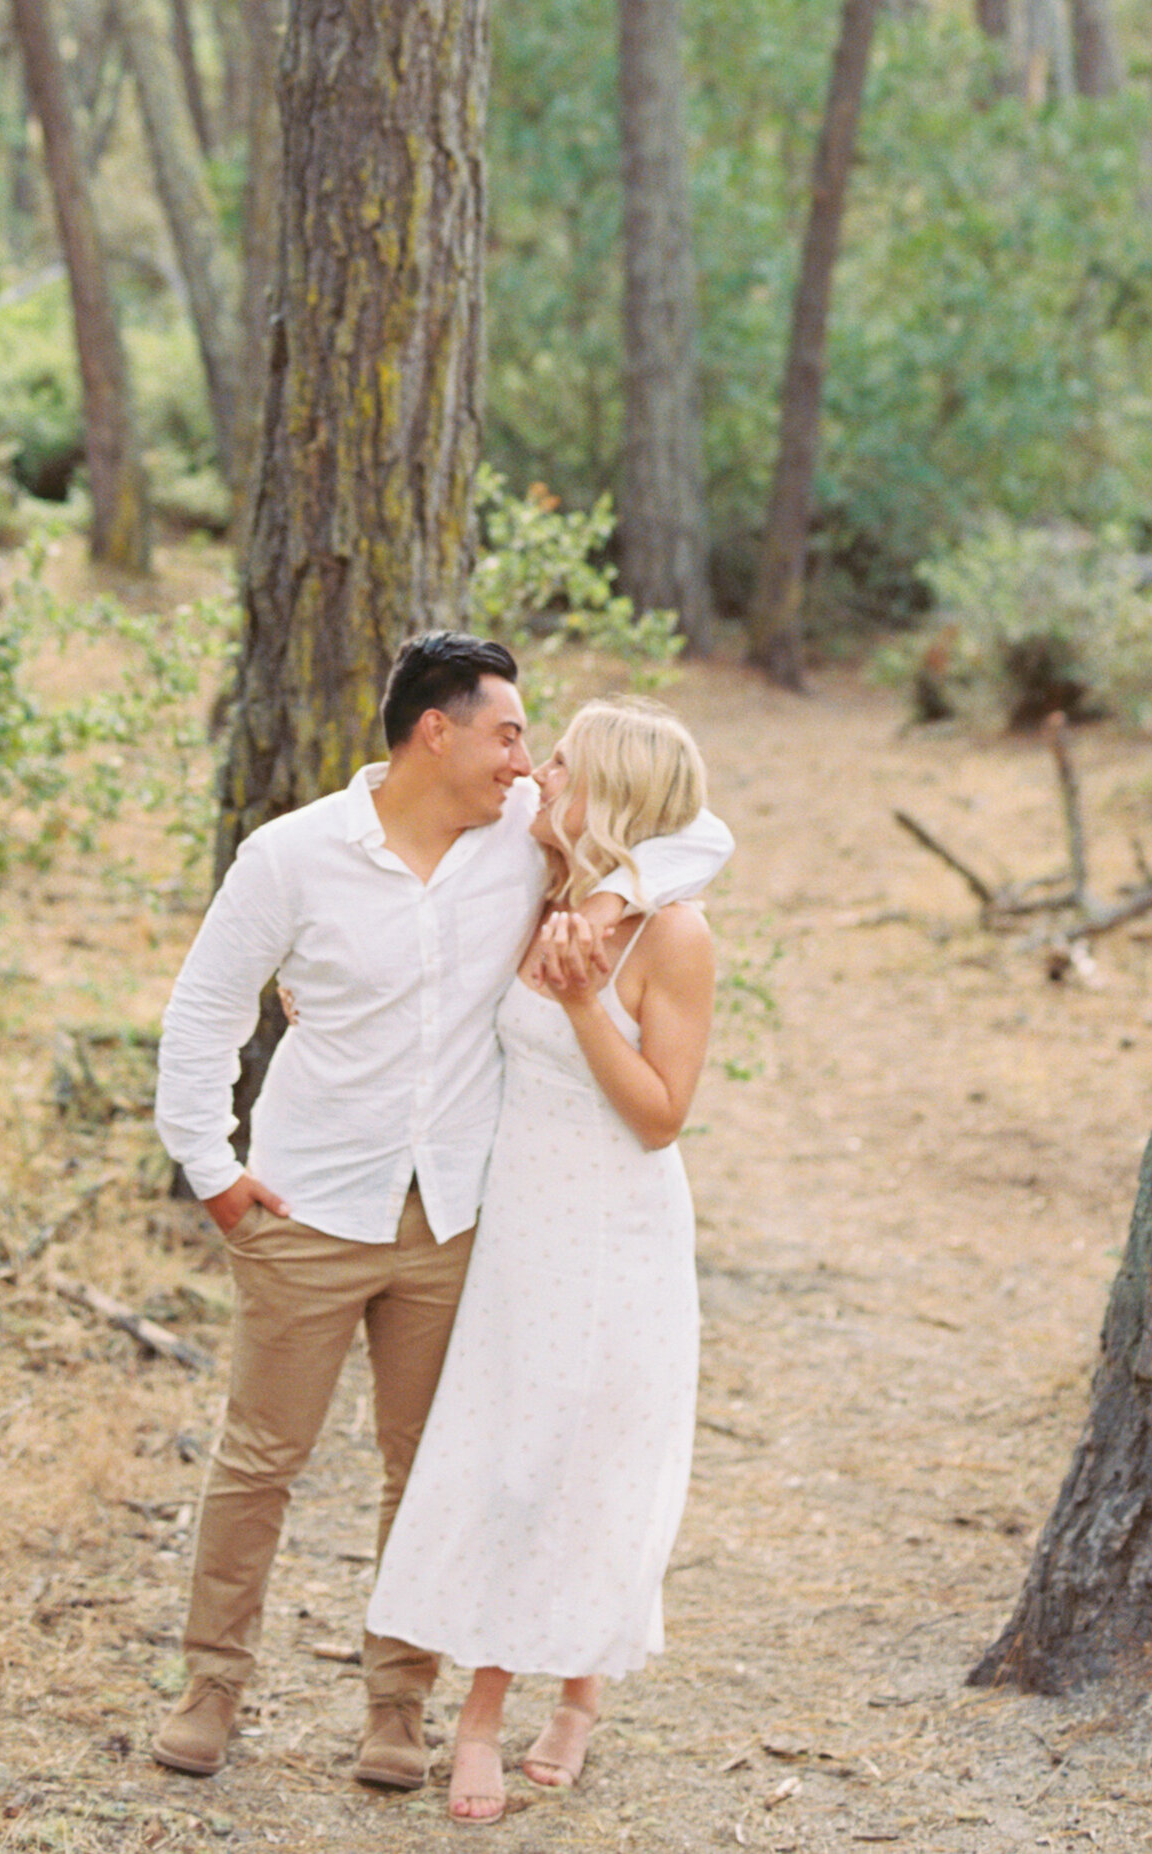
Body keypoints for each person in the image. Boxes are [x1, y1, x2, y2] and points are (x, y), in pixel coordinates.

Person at [148, 634, 732, 1790]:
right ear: (437, 730)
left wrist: (617, 889)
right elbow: (204, 1011)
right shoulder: (291, 855)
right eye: (510, 734)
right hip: (309, 1198)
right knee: (261, 1457)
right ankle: (211, 1688)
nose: (525, 762)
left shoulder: (523, 848)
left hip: (459, 1213)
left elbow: (696, 829)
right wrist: (211, 1168)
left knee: (428, 1467)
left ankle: (396, 1709)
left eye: (534, 746)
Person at [362, 696, 716, 1823]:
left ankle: (559, 1698)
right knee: (510, 1459)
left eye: (558, 762)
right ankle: (491, 1704)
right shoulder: (542, 889)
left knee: (591, 1457)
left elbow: (661, 1114)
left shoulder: (674, 933)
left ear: (604, 793)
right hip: (519, 1230)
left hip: (615, 1231)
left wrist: (580, 1009)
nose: (535, 775)